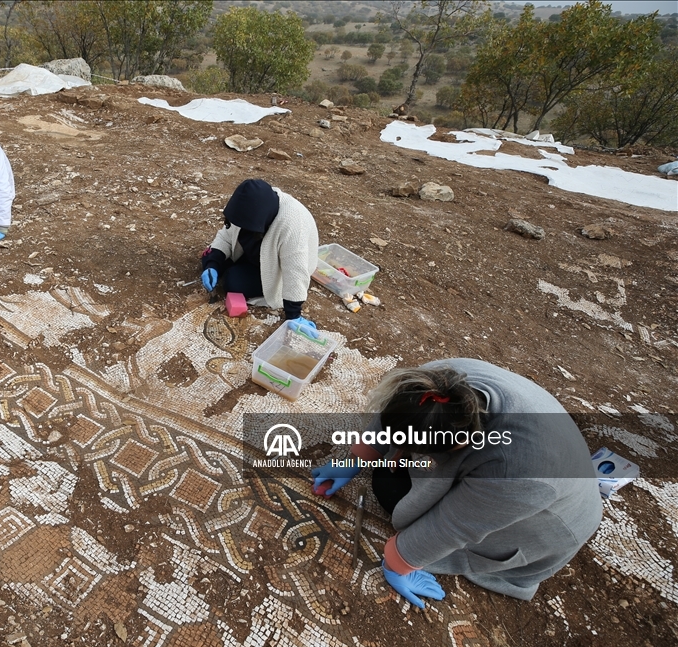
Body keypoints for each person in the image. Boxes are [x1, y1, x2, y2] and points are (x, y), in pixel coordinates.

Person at [312, 359, 603, 606]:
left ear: (460, 444)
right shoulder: (436, 381)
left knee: (393, 493)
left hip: (543, 522)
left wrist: (398, 562)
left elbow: (454, 527)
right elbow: (398, 415)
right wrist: (356, 458)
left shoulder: (517, 472)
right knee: (390, 476)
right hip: (512, 468)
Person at [200, 179, 319, 335]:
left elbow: (295, 270)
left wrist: (293, 315)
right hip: (255, 252)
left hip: (277, 269)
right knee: (209, 259)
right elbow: (227, 235)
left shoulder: (293, 224)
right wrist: (212, 265)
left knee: (233, 281)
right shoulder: (249, 207)